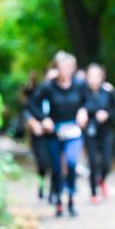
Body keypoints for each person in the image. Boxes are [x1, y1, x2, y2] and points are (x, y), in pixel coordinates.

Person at [28, 52, 89, 218]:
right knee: (55, 167)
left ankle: (71, 198)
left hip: (74, 132)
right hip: (54, 132)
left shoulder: (79, 85)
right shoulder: (48, 87)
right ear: (57, 69)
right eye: (62, 67)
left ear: (73, 68)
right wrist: (43, 119)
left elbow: (89, 100)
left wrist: (84, 111)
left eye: (69, 67)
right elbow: (32, 104)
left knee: (71, 162)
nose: (65, 71)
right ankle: (59, 201)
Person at [83, 63, 115, 204]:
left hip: (106, 131)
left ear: (102, 77)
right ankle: (93, 192)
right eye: (91, 76)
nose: (94, 79)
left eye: (96, 76)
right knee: (93, 162)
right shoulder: (82, 92)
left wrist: (107, 114)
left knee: (107, 164)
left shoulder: (108, 91)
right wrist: (84, 113)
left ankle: (101, 180)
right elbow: (77, 108)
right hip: (90, 131)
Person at [23, 68, 56, 200]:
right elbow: (28, 109)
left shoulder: (61, 94)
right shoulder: (37, 93)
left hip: (54, 133)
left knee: (55, 164)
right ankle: (41, 185)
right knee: (42, 163)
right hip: (39, 133)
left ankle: (54, 192)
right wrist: (35, 123)